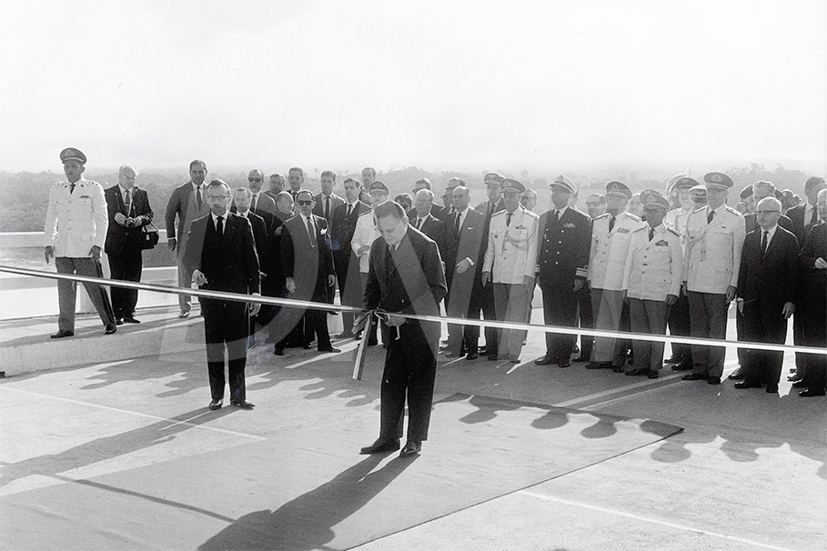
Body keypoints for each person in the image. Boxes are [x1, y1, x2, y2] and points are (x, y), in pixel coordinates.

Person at [360, 201, 447, 457]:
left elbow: (437, 289)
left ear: (405, 222)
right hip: (392, 330)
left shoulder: (425, 247)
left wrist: (405, 316)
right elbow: (373, 285)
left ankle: (414, 440)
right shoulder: (378, 246)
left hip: (421, 330)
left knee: (419, 385)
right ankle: (388, 437)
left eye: (392, 230)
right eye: (382, 231)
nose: (387, 236)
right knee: (391, 383)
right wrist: (368, 312)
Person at [184, 180, 261, 410]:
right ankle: (216, 395)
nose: (216, 202)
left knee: (238, 348)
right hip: (211, 299)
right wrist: (195, 271)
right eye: (212, 197)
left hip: (238, 298)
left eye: (220, 197)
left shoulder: (242, 224)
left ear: (229, 198)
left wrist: (255, 293)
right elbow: (188, 258)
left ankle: (238, 396)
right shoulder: (198, 226)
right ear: (207, 199)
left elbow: (252, 261)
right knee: (214, 348)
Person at [44, 147, 117, 338]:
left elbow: (102, 219)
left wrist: (98, 245)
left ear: (82, 168)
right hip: (63, 248)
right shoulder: (56, 189)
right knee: (65, 290)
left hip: (86, 248)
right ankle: (66, 327)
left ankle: (109, 322)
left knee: (95, 287)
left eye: (74, 166)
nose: (70, 170)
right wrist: (48, 243)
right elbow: (51, 218)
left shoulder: (93, 188)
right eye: (67, 166)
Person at [682, 172, 746, 385]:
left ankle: (714, 371)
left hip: (719, 283)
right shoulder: (695, 215)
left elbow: (737, 256)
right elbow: (688, 251)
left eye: (717, 191)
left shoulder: (735, 219)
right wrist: (685, 279)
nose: (712, 194)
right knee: (697, 328)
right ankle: (699, 367)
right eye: (710, 190)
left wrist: (733, 284)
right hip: (696, 280)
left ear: (726, 194)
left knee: (716, 329)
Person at [734, 197, 798, 393]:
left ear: (778, 215)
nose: (761, 216)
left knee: (774, 340)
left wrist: (790, 300)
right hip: (752, 299)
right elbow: (744, 268)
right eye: (759, 212)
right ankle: (753, 377)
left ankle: (772, 381)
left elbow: (793, 272)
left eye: (766, 212)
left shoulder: (788, 239)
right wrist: (741, 296)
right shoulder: (751, 238)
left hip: (776, 301)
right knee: (753, 339)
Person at [621, 190, 682, 378]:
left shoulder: (672, 236)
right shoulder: (637, 233)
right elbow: (629, 261)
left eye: (655, 210)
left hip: (659, 291)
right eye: (647, 210)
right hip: (637, 288)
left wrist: (674, 291)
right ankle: (640, 363)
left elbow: (677, 266)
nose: (650, 214)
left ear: (664, 213)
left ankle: (654, 366)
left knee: (656, 330)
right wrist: (625, 287)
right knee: (638, 330)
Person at [586, 181, 645, 371]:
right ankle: (602, 357)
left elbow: (633, 256)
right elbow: (593, 251)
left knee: (618, 321)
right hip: (599, 278)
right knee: (600, 320)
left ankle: (618, 359)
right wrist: (589, 276)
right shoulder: (598, 221)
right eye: (609, 197)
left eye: (616, 198)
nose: (611, 201)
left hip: (618, 280)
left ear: (625, 201)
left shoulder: (634, 223)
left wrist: (628, 282)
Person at [534, 175, 590, 368]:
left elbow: (584, 249)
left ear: (569, 195)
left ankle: (564, 353)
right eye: (553, 191)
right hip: (549, 274)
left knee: (566, 316)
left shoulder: (580, 219)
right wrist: (539, 271)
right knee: (550, 315)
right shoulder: (546, 218)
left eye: (560, 191)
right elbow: (541, 247)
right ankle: (551, 352)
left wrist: (580, 275)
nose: (555, 195)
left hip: (568, 275)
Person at [482, 178, 539, 363]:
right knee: (501, 315)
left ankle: (514, 352)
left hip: (518, 275)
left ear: (519, 197)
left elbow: (533, 251)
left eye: (512, 195)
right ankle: (503, 349)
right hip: (499, 274)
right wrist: (486, 269)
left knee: (517, 315)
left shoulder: (530, 219)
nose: (507, 198)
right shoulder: (496, 218)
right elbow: (490, 248)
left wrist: (529, 275)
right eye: (505, 195)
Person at [279, 189, 339, 355]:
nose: (305, 205)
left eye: (308, 202)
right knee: (294, 311)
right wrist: (288, 277)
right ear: (297, 205)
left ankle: (324, 344)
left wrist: (330, 272)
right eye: (301, 202)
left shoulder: (322, 222)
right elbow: (285, 253)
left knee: (320, 309)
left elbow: (327, 249)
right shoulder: (289, 225)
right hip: (299, 276)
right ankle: (280, 344)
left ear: (314, 203)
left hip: (319, 275)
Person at [104, 165, 154, 324]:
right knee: (117, 278)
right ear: (119, 176)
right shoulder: (108, 194)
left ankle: (129, 313)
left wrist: (139, 219)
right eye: (127, 178)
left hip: (134, 244)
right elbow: (99, 214)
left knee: (134, 278)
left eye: (133, 178)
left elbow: (149, 214)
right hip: (115, 244)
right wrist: (114, 215)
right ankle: (117, 314)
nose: (130, 181)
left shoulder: (142, 194)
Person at [443, 185, 486, 359]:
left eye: (460, 196)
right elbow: (444, 244)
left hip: (470, 273)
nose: (457, 199)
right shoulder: (448, 218)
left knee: (470, 311)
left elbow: (481, 244)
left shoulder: (478, 218)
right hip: (451, 274)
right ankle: (456, 346)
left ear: (468, 197)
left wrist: (469, 260)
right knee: (452, 310)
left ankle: (472, 348)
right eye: (454, 197)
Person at [165, 159, 210, 318]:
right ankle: (185, 307)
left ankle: (205, 307)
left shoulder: (212, 190)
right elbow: (169, 214)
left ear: (206, 172)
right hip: (185, 239)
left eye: (201, 172)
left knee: (207, 271)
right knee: (184, 274)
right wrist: (171, 237)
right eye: (194, 172)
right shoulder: (180, 191)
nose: (198, 175)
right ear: (190, 173)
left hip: (207, 239)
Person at [663, 177, 699, 371]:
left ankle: (689, 356)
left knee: (687, 318)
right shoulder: (671, 215)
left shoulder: (699, 215)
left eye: (689, 192)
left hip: (689, 273)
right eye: (682, 191)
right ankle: (677, 351)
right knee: (674, 316)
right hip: (670, 272)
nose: (685, 195)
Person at [795, 188, 827, 396]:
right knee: (815, 341)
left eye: (826, 203)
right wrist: (813, 262)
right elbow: (802, 257)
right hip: (816, 298)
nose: (823, 207)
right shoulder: (814, 230)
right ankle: (814, 382)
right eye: (821, 203)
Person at [351, 181, 391, 346]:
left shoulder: (391, 218)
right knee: (368, 302)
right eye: (373, 195)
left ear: (386, 197)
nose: (376, 198)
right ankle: (369, 336)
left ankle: (388, 339)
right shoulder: (363, 219)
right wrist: (359, 249)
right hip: (366, 266)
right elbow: (355, 240)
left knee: (387, 302)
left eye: (380, 195)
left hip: (386, 268)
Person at [330, 178, 370, 338]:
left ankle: (358, 329)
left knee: (359, 296)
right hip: (341, 260)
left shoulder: (366, 210)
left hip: (359, 259)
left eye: (352, 188)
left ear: (359, 189)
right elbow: (334, 235)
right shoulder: (339, 210)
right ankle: (347, 329)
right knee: (346, 295)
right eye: (346, 188)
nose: (348, 191)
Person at [232, 188, 271, 347]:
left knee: (251, 304)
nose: (241, 203)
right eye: (238, 199)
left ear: (249, 201)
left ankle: (250, 339)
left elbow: (262, 248)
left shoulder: (257, 221)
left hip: (252, 269)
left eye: (244, 200)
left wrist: (259, 270)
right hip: (235, 270)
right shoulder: (230, 219)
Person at [474, 172, 506, 359]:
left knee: (496, 309)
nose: (491, 191)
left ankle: (496, 346)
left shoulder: (506, 207)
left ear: (502, 189)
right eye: (488, 187)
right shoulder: (481, 208)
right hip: (483, 265)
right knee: (487, 307)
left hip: (499, 264)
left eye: (494, 187)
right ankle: (489, 343)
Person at [410, 189, 447, 260]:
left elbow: (438, 249)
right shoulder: (410, 223)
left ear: (430, 204)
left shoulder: (437, 225)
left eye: (423, 201)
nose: (420, 203)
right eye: (418, 200)